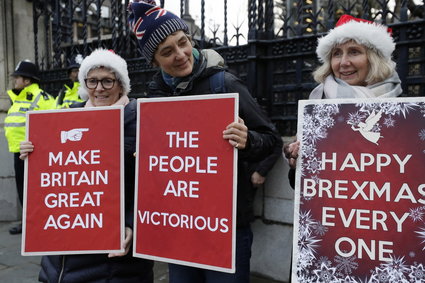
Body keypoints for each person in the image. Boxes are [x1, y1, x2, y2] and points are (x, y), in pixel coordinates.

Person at [128, 1, 281, 282]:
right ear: (154, 62)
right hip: (180, 225)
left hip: (226, 227)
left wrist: (247, 141)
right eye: (167, 52)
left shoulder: (224, 84)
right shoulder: (154, 97)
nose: (180, 54)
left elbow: (271, 140)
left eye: (182, 42)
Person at [19, 49, 154, 283]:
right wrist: (33, 155)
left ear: (121, 84)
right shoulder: (62, 121)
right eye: (92, 81)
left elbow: (156, 187)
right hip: (59, 262)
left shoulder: (143, 122)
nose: (99, 88)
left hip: (112, 263)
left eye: (107, 81)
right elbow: (51, 185)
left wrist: (132, 224)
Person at [284, 14, 403, 187]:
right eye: (337, 54)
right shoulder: (318, 104)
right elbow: (302, 187)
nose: (343, 62)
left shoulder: (407, 109)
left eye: (354, 52)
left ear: (374, 58)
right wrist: (297, 165)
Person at [4, 60, 56, 235]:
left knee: (36, 191)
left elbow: (53, 125)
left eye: (17, 77)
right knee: (23, 190)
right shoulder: (17, 98)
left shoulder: (43, 98)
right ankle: (28, 223)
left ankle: (40, 223)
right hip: (17, 150)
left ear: (27, 80)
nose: (14, 81)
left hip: (34, 153)